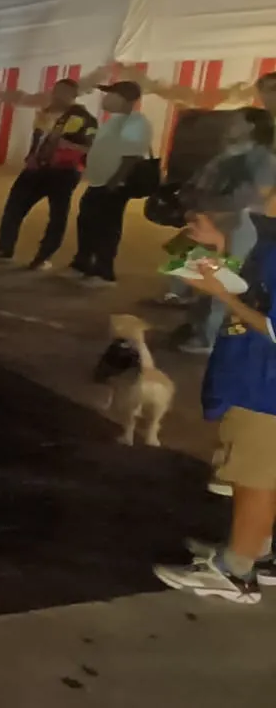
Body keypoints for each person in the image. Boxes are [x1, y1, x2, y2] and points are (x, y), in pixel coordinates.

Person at [153, 208, 276, 604]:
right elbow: (259, 288)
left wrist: (221, 294)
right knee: (260, 474)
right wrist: (219, 250)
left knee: (254, 477)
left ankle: (236, 572)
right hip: (255, 375)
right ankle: (257, 550)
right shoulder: (270, 237)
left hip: (264, 383)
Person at [169, 108, 275, 353]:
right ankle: (198, 326)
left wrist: (219, 211)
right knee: (205, 273)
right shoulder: (230, 152)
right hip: (213, 222)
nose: (229, 125)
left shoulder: (263, 159)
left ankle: (210, 336)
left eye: (237, 121)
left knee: (226, 279)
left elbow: (256, 194)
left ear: (252, 127)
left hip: (238, 224)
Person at [0, 76, 101, 268]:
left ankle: (44, 256)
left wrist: (67, 144)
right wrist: (30, 156)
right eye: (56, 90)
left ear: (74, 95)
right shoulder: (45, 113)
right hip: (36, 169)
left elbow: (91, 147)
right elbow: (38, 139)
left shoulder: (83, 119)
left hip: (64, 172)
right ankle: (4, 248)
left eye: (64, 92)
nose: (57, 95)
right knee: (14, 207)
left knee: (57, 216)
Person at [70, 81, 154, 287]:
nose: (105, 98)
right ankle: (82, 264)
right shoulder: (113, 122)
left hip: (114, 185)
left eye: (111, 94)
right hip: (100, 183)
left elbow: (130, 156)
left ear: (125, 98)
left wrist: (115, 183)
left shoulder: (135, 123)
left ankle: (103, 272)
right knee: (87, 222)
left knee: (107, 227)